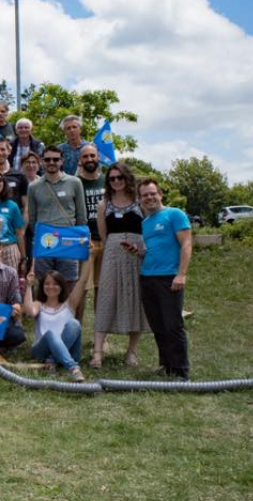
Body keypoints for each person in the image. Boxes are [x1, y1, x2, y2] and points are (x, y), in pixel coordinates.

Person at [129, 178, 192, 380]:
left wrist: (181, 274)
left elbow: (186, 244)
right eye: (144, 195)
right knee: (158, 325)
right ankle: (166, 365)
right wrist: (138, 252)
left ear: (160, 194)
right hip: (147, 278)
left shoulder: (174, 214)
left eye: (152, 193)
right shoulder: (145, 223)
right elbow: (151, 250)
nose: (149, 198)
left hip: (169, 278)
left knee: (173, 325)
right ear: (140, 199)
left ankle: (180, 372)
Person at [91, 162, 147, 368]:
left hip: (136, 253)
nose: (116, 181)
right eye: (112, 178)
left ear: (127, 178)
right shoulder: (103, 204)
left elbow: (148, 227)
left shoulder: (139, 201)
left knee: (136, 299)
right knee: (106, 298)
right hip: (113, 253)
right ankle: (97, 352)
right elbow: (103, 234)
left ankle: (131, 352)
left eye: (120, 177)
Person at [28, 146, 87, 285]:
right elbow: (32, 218)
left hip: (68, 238)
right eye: (47, 159)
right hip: (44, 240)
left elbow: (81, 215)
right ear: (42, 161)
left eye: (55, 159)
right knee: (44, 284)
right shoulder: (33, 186)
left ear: (62, 161)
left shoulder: (75, 182)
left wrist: (77, 238)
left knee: (69, 283)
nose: (51, 162)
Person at [23, 268, 88, 382]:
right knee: (51, 333)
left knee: (75, 323)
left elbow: (82, 281)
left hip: (69, 350)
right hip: (42, 351)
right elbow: (29, 312)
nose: (51, 287)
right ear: (42, 286)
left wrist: (90, 260)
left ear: (61, 286)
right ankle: (73, 369)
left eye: (55, 284)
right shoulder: (39, 304)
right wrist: (29, 286)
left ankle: (52, 360)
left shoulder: (69, 303)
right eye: (47, 283)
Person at [76, 144, 107, 320]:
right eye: (85, 156)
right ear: (80, 160)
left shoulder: (108, 181)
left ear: (98, 157)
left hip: (105, 239)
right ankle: (76, 330)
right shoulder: (75, 182)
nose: (89, 159)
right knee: (81, 288)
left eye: (92, 156)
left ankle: (100, 332)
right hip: (84, 242)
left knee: (101, 289)